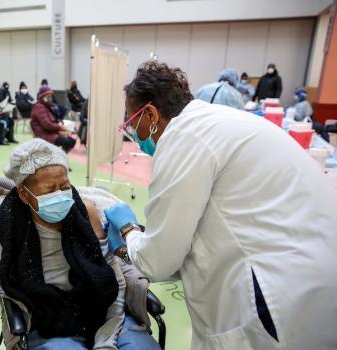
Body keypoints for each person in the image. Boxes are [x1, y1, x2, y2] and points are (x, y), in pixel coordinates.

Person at [103, 60, 337, 350]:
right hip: (315, 278)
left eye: (130, 122)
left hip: (281, 298)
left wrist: (128, 231)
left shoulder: (184, 138)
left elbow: (157, 261)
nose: (132, 134)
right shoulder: (222, 123)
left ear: (150, 114)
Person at [0, 139, 161, 350]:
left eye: (65, 186)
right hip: (45, 320)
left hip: (102, 310)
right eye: (49, 190)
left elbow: (111, 276)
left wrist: (106, 337)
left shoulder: (87, 213)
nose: (60, 195)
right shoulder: (4, 228)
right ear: (24, 194)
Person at [31, 86, 76, 153]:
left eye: (50, 96)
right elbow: (47, 125)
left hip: (50, 133)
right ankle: (60, 156)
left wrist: (60, 122)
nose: (50, 98)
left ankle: (60, 156)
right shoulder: (40, 107)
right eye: (47, 96)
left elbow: (52, 119)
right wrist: (60, 127)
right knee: (68, 142)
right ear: (42, 97)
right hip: (44, 135)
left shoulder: (46, 107)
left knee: (72, 140)